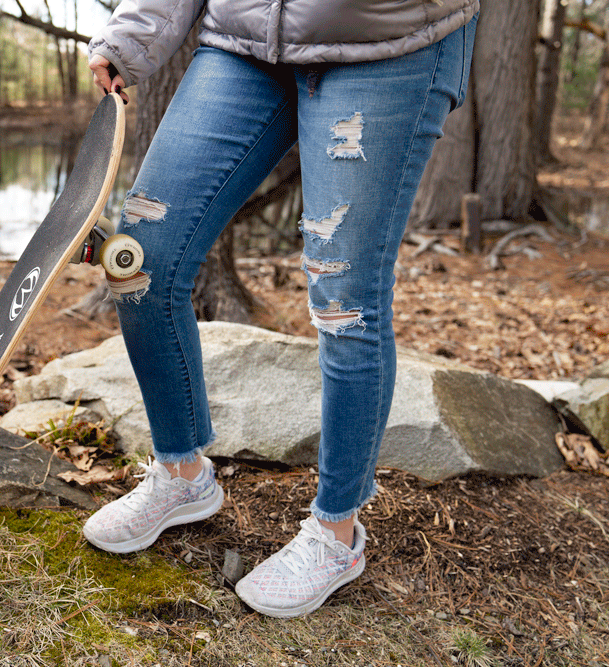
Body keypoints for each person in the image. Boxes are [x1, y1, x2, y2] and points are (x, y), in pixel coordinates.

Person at [80, 0, 479, 617]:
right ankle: (182, 475)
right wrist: (129, 38)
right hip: (243, 40)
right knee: (139, 261)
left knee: (346, 298)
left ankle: (336, 534)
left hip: (387, 44)